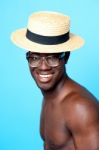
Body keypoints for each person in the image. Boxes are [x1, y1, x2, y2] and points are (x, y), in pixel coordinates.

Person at [11, 11, 99, 150]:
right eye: (34, 57)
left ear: (66, 57)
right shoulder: (49, 95)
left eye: (52, 57)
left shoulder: (80, 108)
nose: (43, 67)